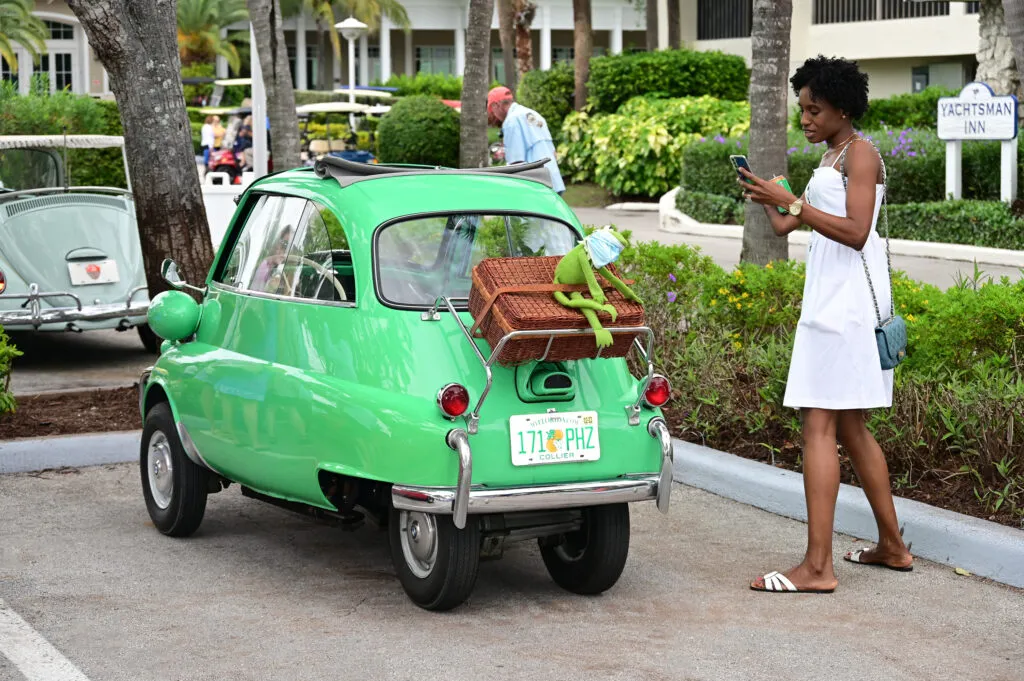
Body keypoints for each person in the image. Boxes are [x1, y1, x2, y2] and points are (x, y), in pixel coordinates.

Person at [739, 55, 913, 594]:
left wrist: (792, 199)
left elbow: (858, 231)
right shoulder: (831, 155)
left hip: (846, 308)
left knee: (819, 425)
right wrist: (768, 197)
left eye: (814, 109)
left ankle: (818, 567)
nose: (806, 119)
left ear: (843, 107)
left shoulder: (860, 154)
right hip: (831, 300)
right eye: (802, 110)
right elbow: (789, 225)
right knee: (853, 427)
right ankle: (893, 547)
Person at [486, 86, 565, 195]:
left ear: (496, 105)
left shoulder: (511, 121)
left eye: (492, 112)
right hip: (554, 181)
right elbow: (553, 153)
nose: (495, 116)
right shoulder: (533, 114)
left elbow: (516, 164)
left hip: (537, 187)